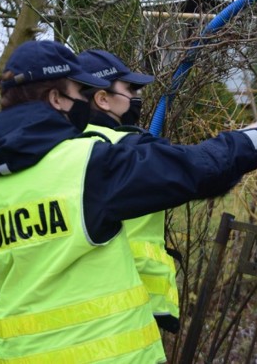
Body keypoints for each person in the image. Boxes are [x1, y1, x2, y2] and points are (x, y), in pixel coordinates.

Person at [0, 40, 257, 364]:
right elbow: (186, 169)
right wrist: (252, 142)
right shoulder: (87, 165)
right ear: (57, 99)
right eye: (80, 93)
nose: (85, 102)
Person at [78, 49, 181, 334]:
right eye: (131, 89)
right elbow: (198, 173)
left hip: (83, 304)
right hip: (134, 301)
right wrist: (251, 144)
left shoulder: (62, 148)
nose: (138, 96)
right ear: (102, 98)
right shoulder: (132, 148)